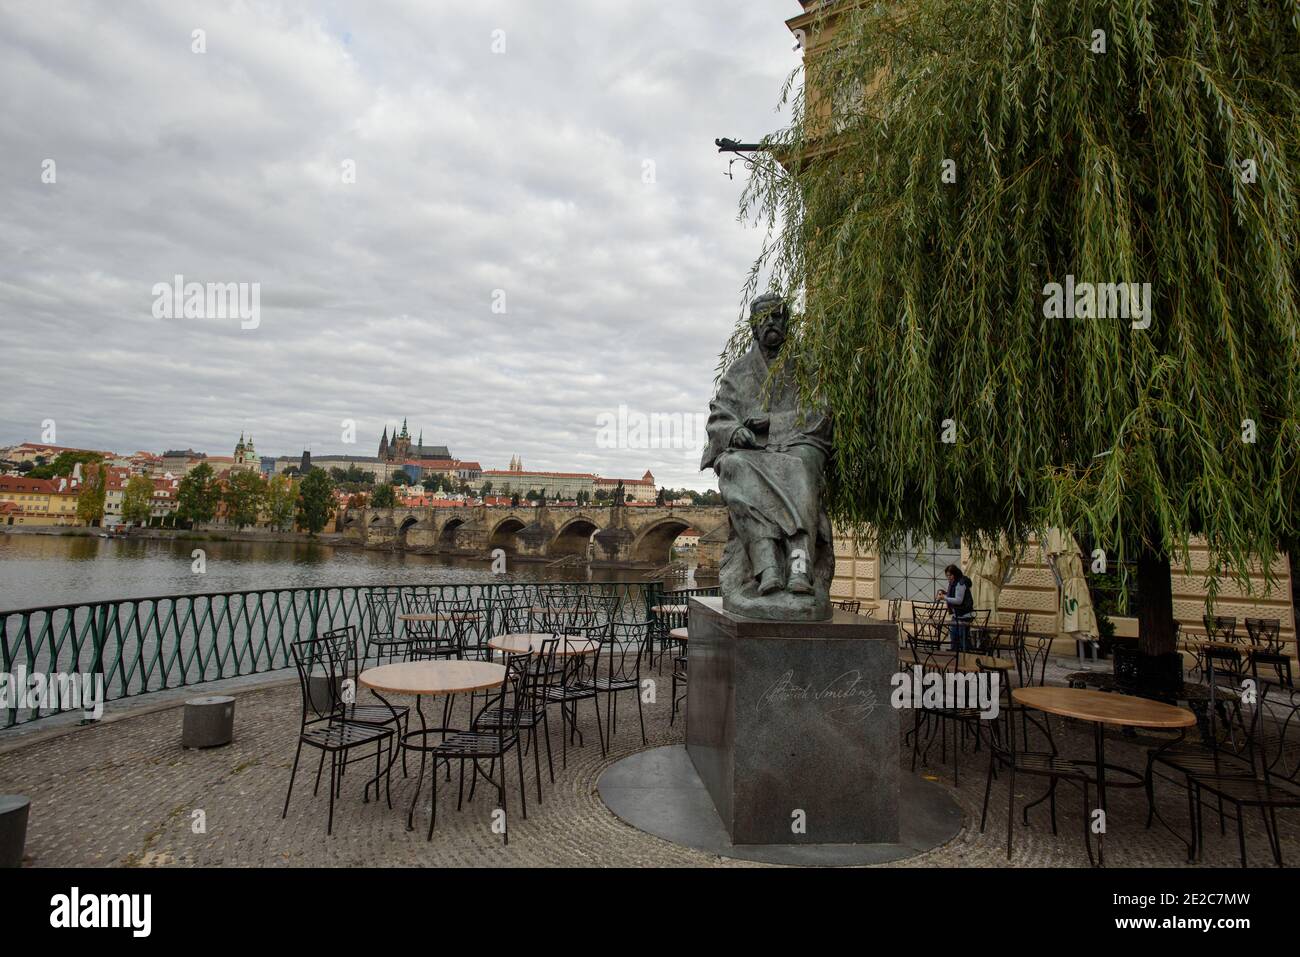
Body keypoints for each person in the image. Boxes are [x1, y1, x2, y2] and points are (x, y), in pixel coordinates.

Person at [700, 294, 832, 597]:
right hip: (753, 453)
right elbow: (719, 414)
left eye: (776, 316)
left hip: (799, 443)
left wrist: (771, 424)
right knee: (733, 466)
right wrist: (734, 431)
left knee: (800, 467)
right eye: (764, 318)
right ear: (753, 326)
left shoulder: (806, 363)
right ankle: (767, 565)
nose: (770, 323)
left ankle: (799, 563)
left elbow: (821, 411)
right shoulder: (739, 371)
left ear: (787, 321)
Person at [937, 563, 974, 651]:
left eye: (950, 575)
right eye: (947, 576)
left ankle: (966, 656)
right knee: (953, 637)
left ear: (955, 574)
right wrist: (945, 594)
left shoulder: (960, 584)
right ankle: (954, 657)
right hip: (957, 615)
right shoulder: (953, 583)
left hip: (964, 615)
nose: (948, 578)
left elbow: (958, 600)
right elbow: (953, 595)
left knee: (962, 639)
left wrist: (944, 597)